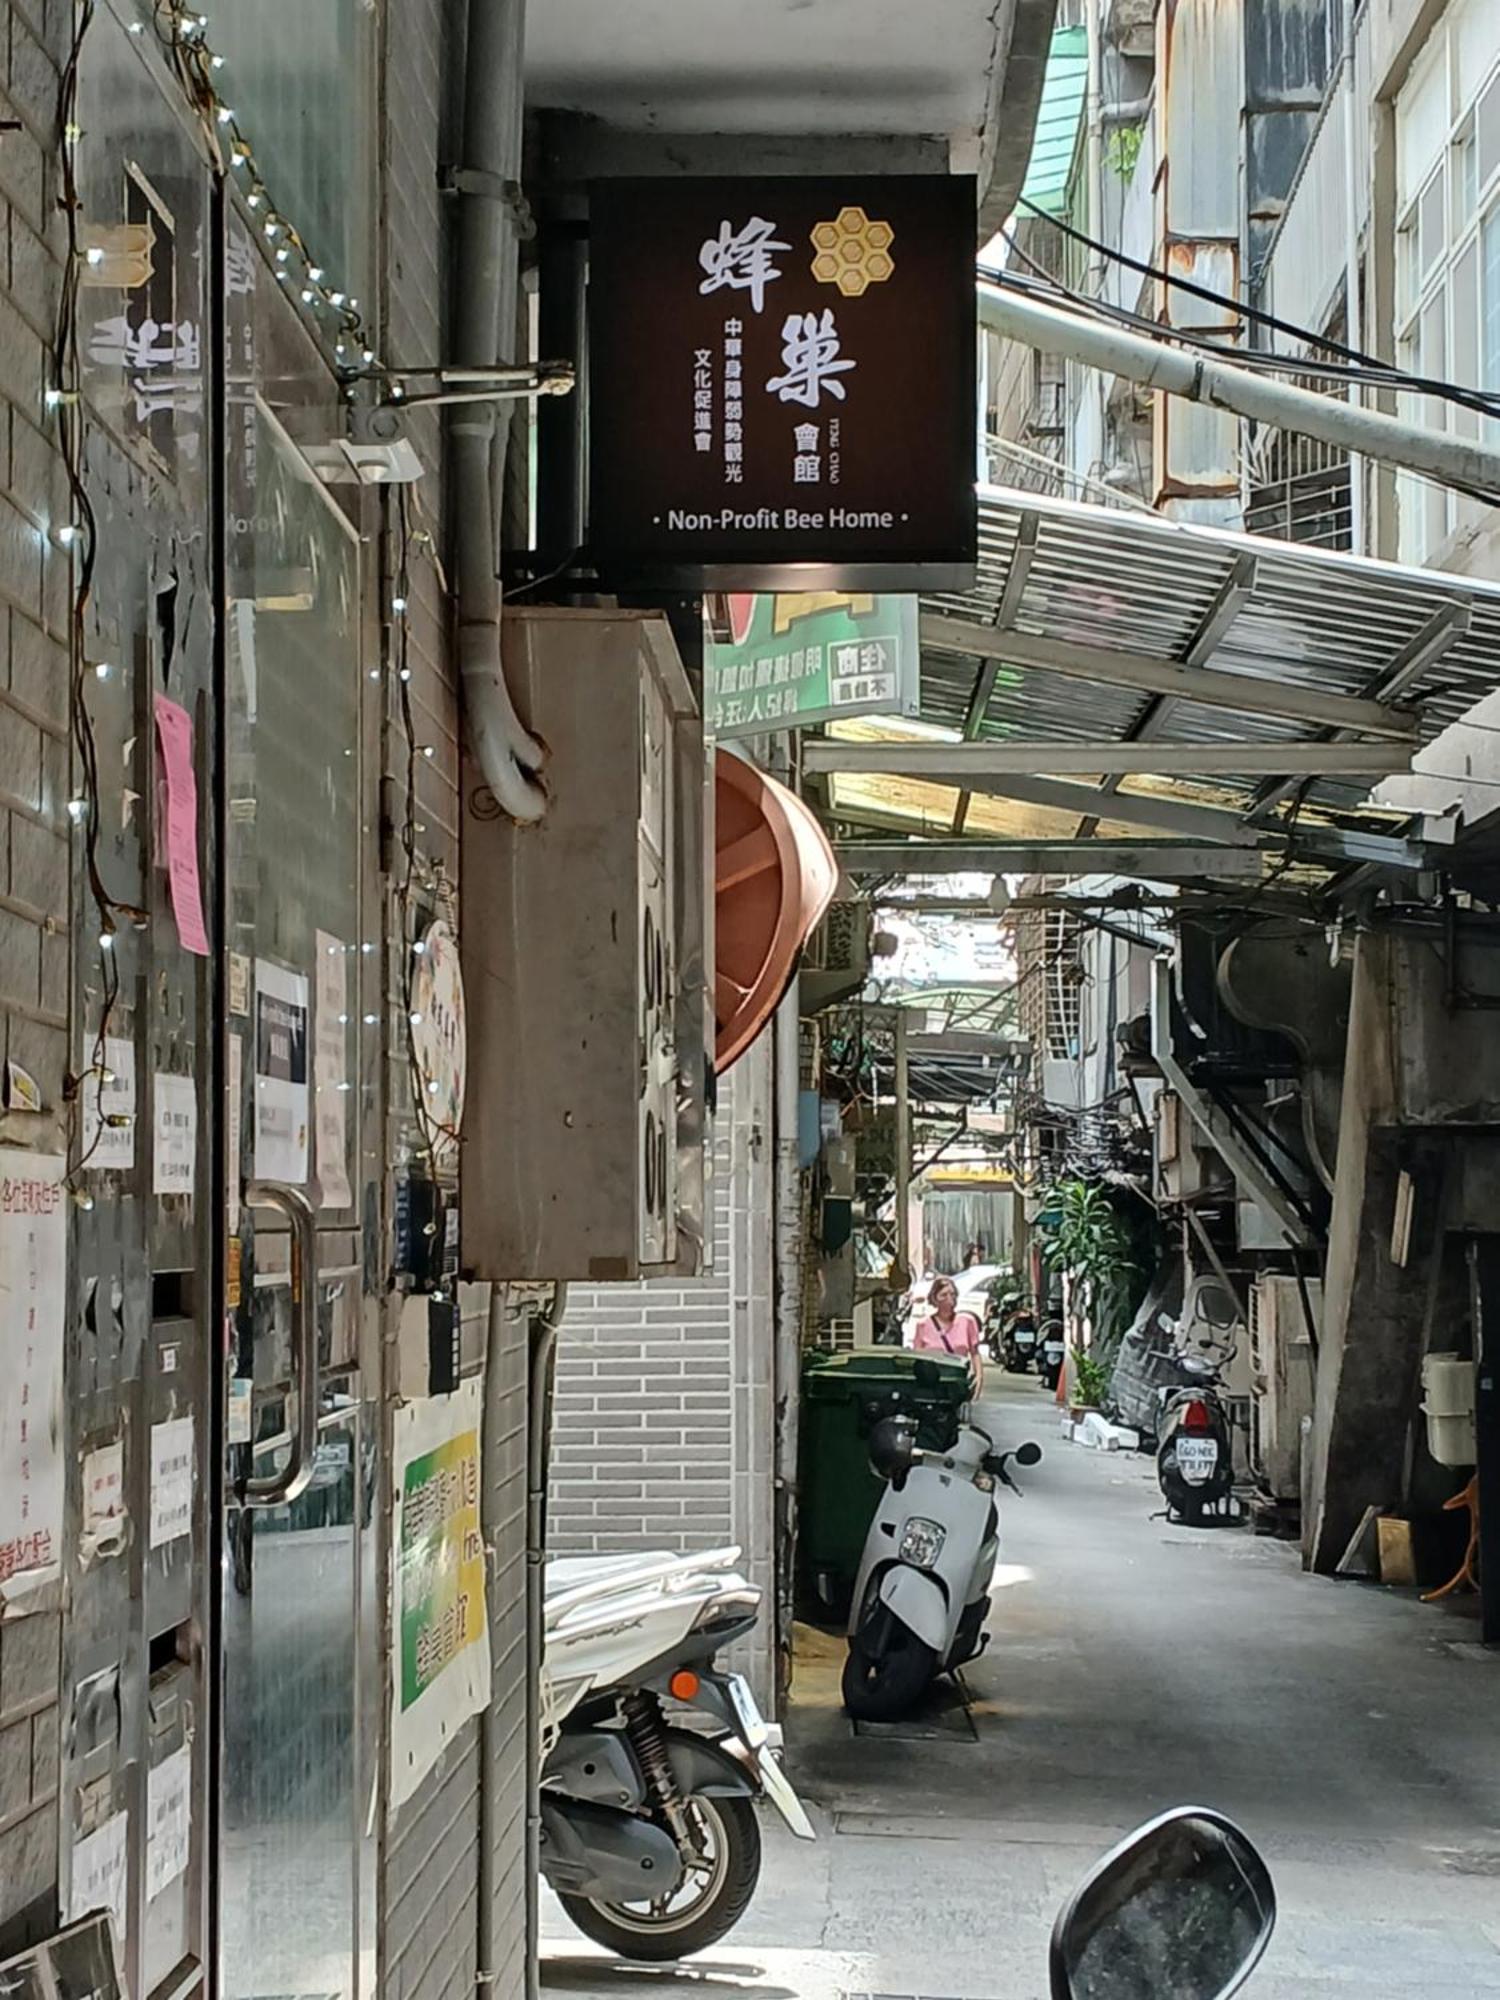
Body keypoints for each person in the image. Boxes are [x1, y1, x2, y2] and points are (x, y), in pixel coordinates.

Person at [913, 1275, 984, 1398]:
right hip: (932, 1385)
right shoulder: (923, 1325)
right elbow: (917, 1357)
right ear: (935, 1299)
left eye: (952, 1294)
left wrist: (979, 1377)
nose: (949, 1299)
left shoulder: (967, 1321)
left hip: (957, 1384)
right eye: (944, 1295)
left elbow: (975, 1353)